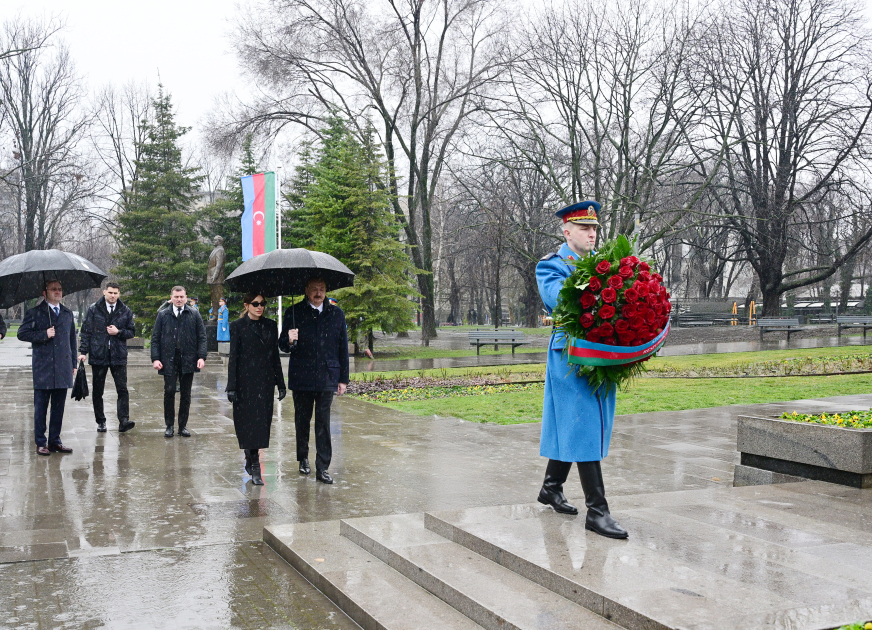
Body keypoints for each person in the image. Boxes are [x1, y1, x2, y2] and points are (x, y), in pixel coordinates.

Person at [535, 200, 628, 539]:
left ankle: (551, 487)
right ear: (567, 231)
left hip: (601, 349)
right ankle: (598, 512)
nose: (592, 234)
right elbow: (562, 300)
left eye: (594, 229)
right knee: (585, 423)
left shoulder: (604, 266)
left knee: (577, 423)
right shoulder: (552, 266)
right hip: (571, 353)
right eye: (585, 228)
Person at [279, 277, 349, 484]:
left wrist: (343, 379)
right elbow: (283, 345)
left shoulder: (336, 314)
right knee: (302, 421)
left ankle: (323, 467)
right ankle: (303, 458)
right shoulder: (294, 312)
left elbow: (342, 348)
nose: (319, 293)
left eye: (322, 289)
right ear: (306, 290)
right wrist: (289, 339)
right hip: (302, 376)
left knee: (323, 423)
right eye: (314, 289)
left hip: (327, 375)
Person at [225, 293, 286, 485]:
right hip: (245, 382)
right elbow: (233, 357)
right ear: (247, 305)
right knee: (247, 423)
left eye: (262, 303)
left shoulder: (270, 325)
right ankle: (253, 463)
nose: (260, 307)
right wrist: (231, 386)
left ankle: (254, 458)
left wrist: (281, 383)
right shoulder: (237, 326)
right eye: (255, 304)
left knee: (261, 424)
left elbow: (275, 356)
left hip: (265, 381)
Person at [17, 280, 77, 455]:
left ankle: (55, 440)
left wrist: (73, 363)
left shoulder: (67, 314)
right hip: (43, 367)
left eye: (59, 289)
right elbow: (22, 333)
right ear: (45, 293)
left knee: (59, 408)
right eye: (53, 289)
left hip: (63, 367)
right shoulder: (35, 313)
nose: (58, 292)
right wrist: (44, 334)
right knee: (41, 408)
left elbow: (72, 340)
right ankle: (41, 442)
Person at [77, 282, 136, 434]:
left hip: (118, 355)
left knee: (122, 389)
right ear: (104, 292)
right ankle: (101, 421)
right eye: (110, 292)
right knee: (98, 391)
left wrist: (119, 332)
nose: (113, 295)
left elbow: (131, 332)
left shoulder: (125, 310)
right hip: (98, 354)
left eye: (116, 293)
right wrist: (83, 351)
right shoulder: (94, 309)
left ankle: (123, 420)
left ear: (119, 294)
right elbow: (86, 332)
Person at [151, 286, 207, 437]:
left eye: (182, 297)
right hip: (169, 359)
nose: (179, 299)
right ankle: (169, 425)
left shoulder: (194, 314)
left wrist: (201, 356)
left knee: (186, 394)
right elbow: (155, 338)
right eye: (176, 297)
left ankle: (183, 426)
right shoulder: (163, 315)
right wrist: (155, 358)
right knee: (169, 391)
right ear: (171, 297)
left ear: (186, 297)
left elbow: (202, 337)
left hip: (188, 359)